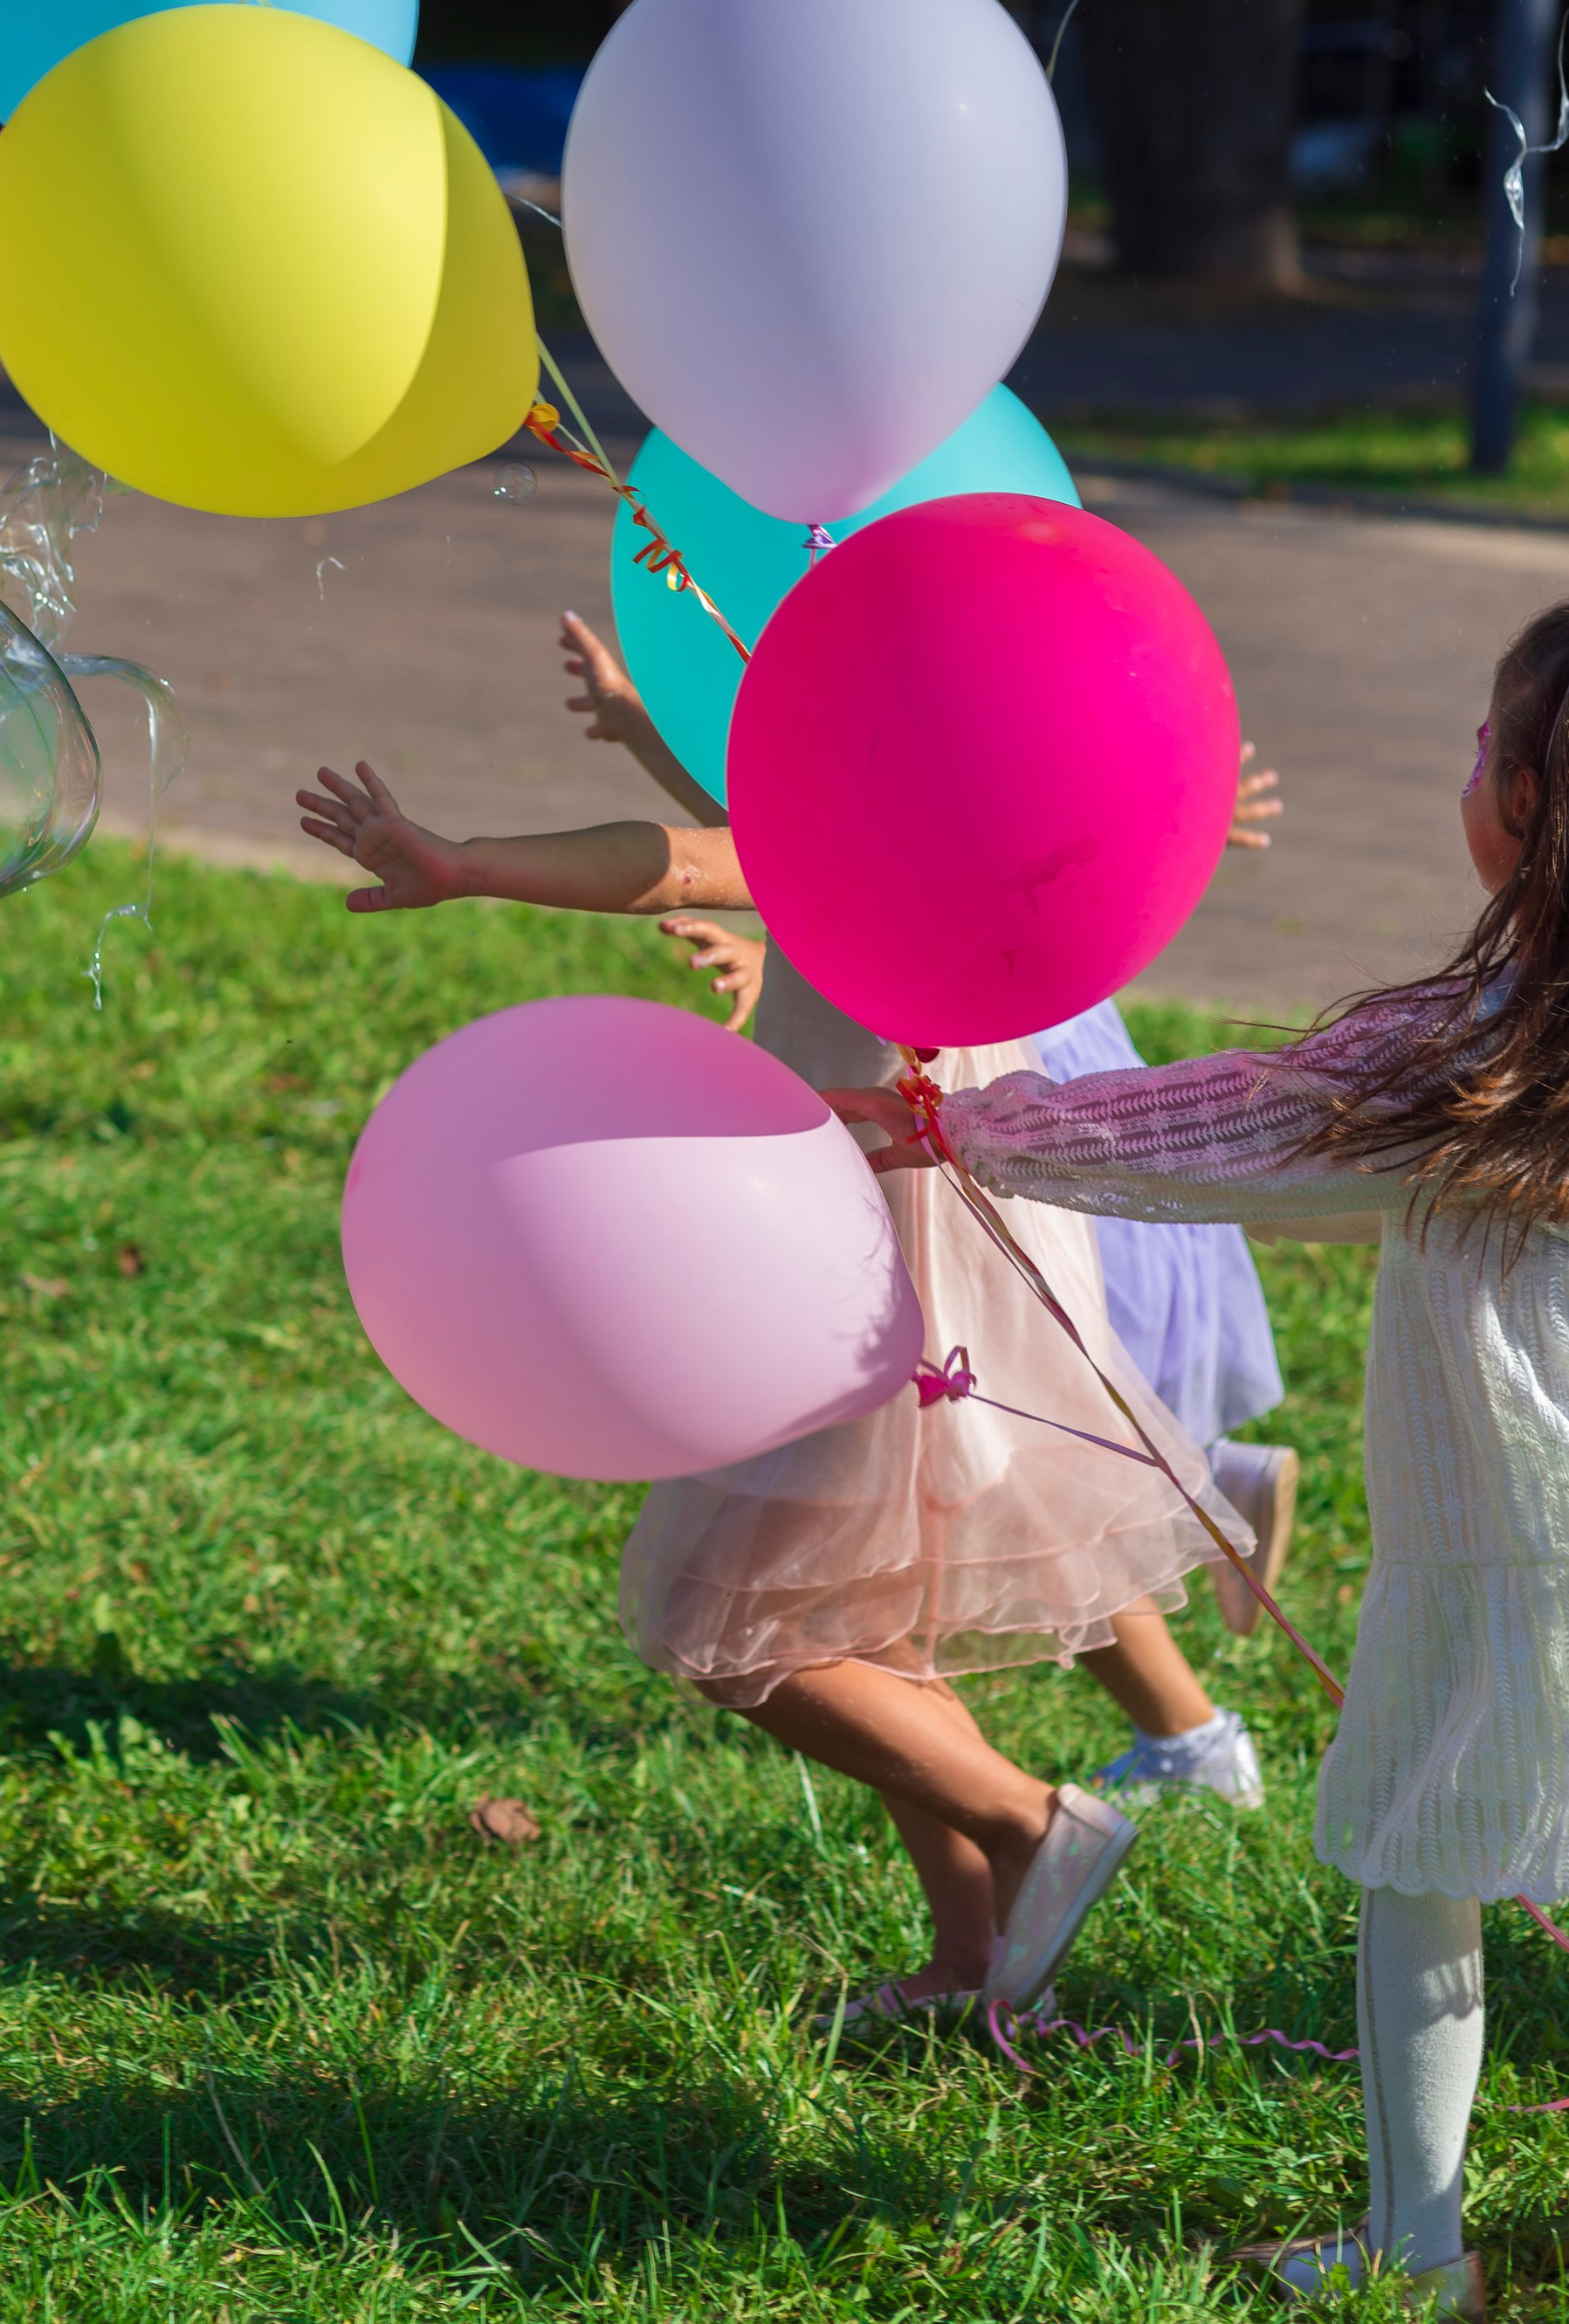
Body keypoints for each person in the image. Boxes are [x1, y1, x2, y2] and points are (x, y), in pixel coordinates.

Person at [821, 604, 1569, 2314]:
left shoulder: (1478, 1053)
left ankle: (1413, 2250)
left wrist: (965, 1129)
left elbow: (1215, 1122)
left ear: (1529, 800)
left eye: (1475, 747)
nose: (1460, 771)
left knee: (1420, 1865)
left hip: (1499, 1564)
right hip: (1496, 1556)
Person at [295, 748, 1256, 2035]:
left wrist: (469, 862)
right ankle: (965, 1955)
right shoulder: (985, 806)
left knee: (719, 1620)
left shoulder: (880, 796)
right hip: (928, 1228)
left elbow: (694, 859)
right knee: (864, 1616)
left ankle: (1032, 1823)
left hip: (860, 1241)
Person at [560, 603, 1300, 1702]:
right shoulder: (910, 823)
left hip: (994, 1158)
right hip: (995, 1152)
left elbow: (723, 856)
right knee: (1019, 1438)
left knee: (1011, 1455)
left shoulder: (954, 855)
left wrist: (471, 860)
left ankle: (1184, 1721)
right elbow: (747, 840)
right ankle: (1201, 1529)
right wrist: (635, 726)